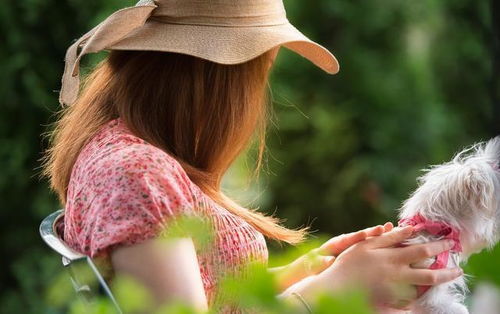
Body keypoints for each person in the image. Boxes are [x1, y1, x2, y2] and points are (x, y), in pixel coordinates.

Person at [40, 0, 463, 312]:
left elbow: (207, 294)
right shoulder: (134, 172)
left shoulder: (128, 157)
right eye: (261, 75)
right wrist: (333, 290)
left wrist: (312, 268)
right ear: (219, 78)